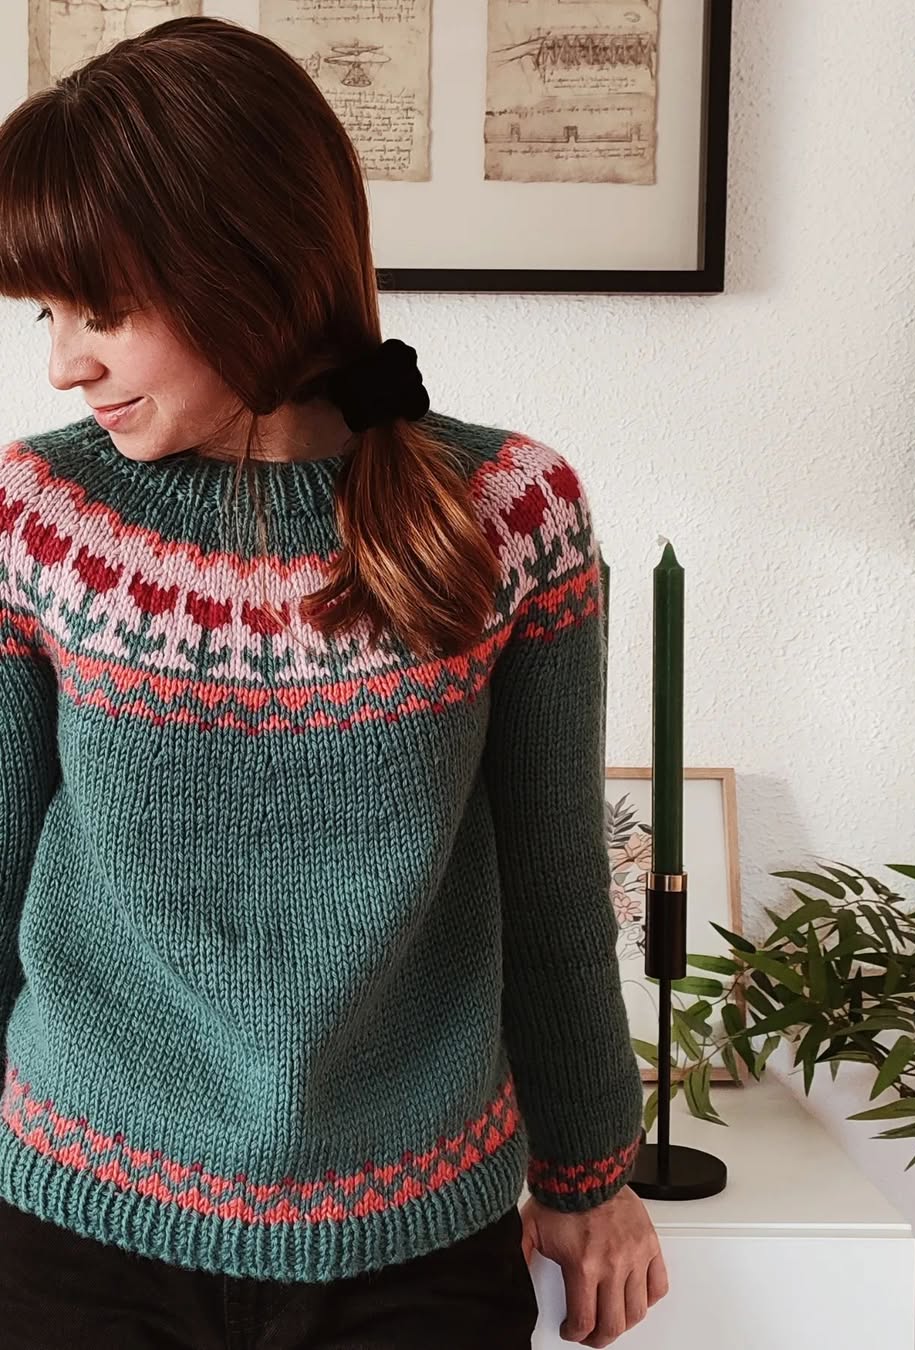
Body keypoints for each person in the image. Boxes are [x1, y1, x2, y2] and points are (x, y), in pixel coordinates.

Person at [0, 15, 670, 1350]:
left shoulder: (509, 513)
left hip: (416, 1242)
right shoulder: (41, 515)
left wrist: (591, 1173)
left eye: (103, 310)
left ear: (245, 265)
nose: (65, 360)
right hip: (76, 1226)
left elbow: (550, 875)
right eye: (46, 313)